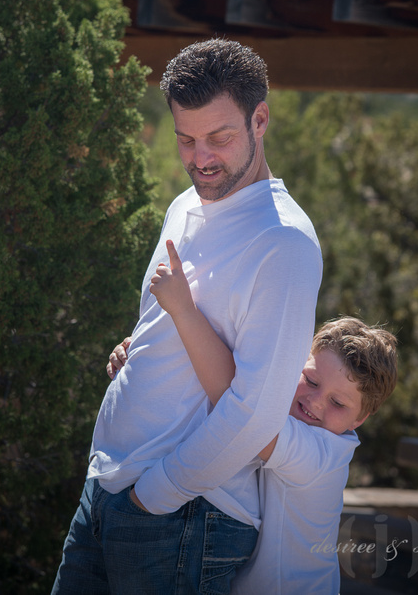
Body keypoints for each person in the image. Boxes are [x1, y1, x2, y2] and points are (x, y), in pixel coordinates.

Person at [51, 39, 323, 594]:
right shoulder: (184, 205)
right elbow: (178, 320)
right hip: (107, 488)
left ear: (260, 120)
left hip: (184, 517)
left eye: (219, 138)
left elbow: (256, 412)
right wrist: (139, 350)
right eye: (185, 139)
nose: (200, 158)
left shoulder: (285, 243)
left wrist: (157, 494)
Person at [114, 240, 397, 594]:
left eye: (339, 403)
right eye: (310, 380)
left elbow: (239, 409)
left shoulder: (322, 455)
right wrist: (147, 352)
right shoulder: (294, 415)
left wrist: (184, 309)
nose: (315, 402)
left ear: (360, 420)